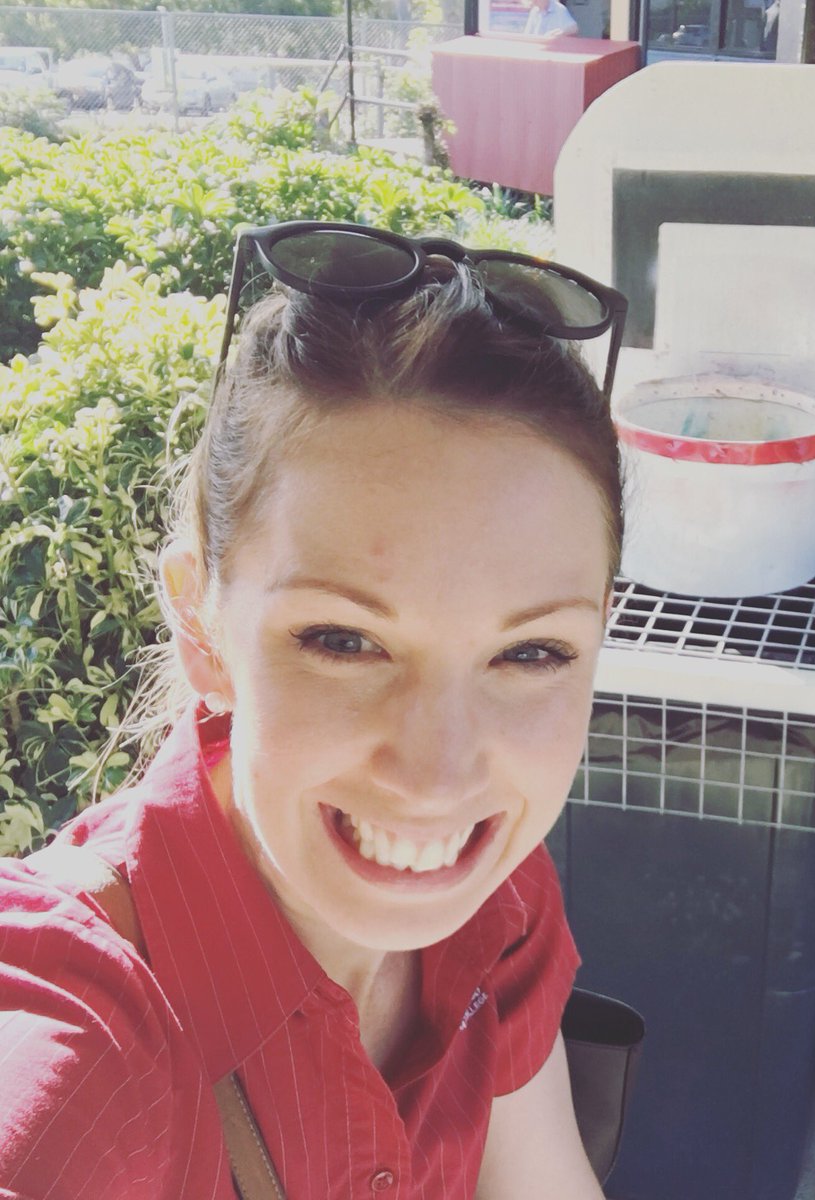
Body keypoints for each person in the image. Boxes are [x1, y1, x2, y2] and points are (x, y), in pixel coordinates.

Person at [0, 222, 627, 1198]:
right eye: (343, 641)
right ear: (203, 631)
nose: (438, 777)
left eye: (531, 652)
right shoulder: (86, 1041)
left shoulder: (498, 902)